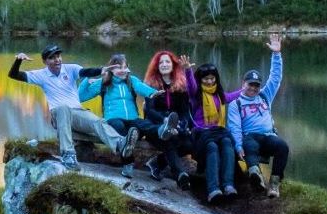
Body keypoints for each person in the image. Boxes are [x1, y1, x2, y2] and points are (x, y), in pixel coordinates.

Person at [8, 45, 130, 169]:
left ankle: (120, 144)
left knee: (97, 122)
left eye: (58, 56)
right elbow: (13, 75)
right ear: (45, 61)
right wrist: (18, 60)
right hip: (58, 115)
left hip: (77, 112)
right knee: (63, 108)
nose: (57, 60)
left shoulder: (71, 69)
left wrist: (101, 70)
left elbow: (85, 72)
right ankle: (68, 155)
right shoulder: (40, 75)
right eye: (52, 58)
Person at [76, 53, 161, 179]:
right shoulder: (103, 83)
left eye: (124, 67)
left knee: (142, 124)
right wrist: (87, 80)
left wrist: (153, 93)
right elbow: (81, 97)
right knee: (121, 129)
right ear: (111, 68)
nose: (122, 71)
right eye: (118, 67)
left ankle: (162, 130)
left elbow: (143, 89)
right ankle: (128, 163)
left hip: (132, 119)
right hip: (114, 120)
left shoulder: (132, 81)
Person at [227, 33, 287, 198]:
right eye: (250, 85)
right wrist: (238, 146)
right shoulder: (236, 104)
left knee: (282, 147)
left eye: (256, 85)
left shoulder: (264, 96)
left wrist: (276, 54)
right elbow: (235, 127)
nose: (253, 88)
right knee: (250, 145)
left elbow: (275, 78)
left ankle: (274, 184)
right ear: (243, 84)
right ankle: (256, 175)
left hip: (267, 136)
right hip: (249, 138)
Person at [140, 50, 195, 190]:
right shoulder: (150, 85)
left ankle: (157, 163)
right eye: (161, 62)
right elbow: (150, 111)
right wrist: (165, 121)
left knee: (189, 144)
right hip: (156, 126)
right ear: (156, 66)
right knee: (168, 139)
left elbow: (184, 111)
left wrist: (182, 124)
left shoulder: (180, 85)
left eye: (167, 61)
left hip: (176, 125)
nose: (164, 64)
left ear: (173, 65)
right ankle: (180, 174)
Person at [187, 62, 239, 205]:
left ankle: (228, 185)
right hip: (201, 133)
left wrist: (247, 89)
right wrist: (188, 70)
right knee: (212, 147)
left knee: (227, 143)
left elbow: (232, 96)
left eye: (212, 78)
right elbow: (191, 86)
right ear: (200, 79)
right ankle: (213, 189)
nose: (209, 81)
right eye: (206, 79)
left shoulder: (219, 95)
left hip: (218, 131)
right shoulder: (196, 95)